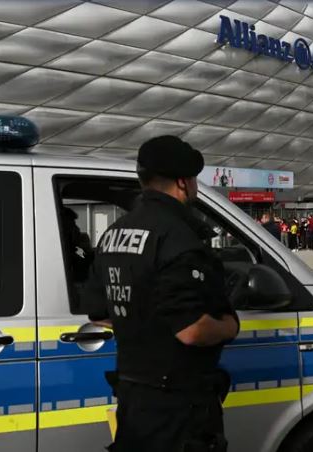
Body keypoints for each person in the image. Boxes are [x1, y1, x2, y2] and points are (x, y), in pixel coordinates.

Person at [82, 135, 239, 451]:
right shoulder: (179, 239)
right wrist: (231, 326)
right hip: (179, 409)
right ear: (183, 182)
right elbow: (192, 330)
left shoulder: (114, 233)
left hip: (133, 401)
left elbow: (101, 312)